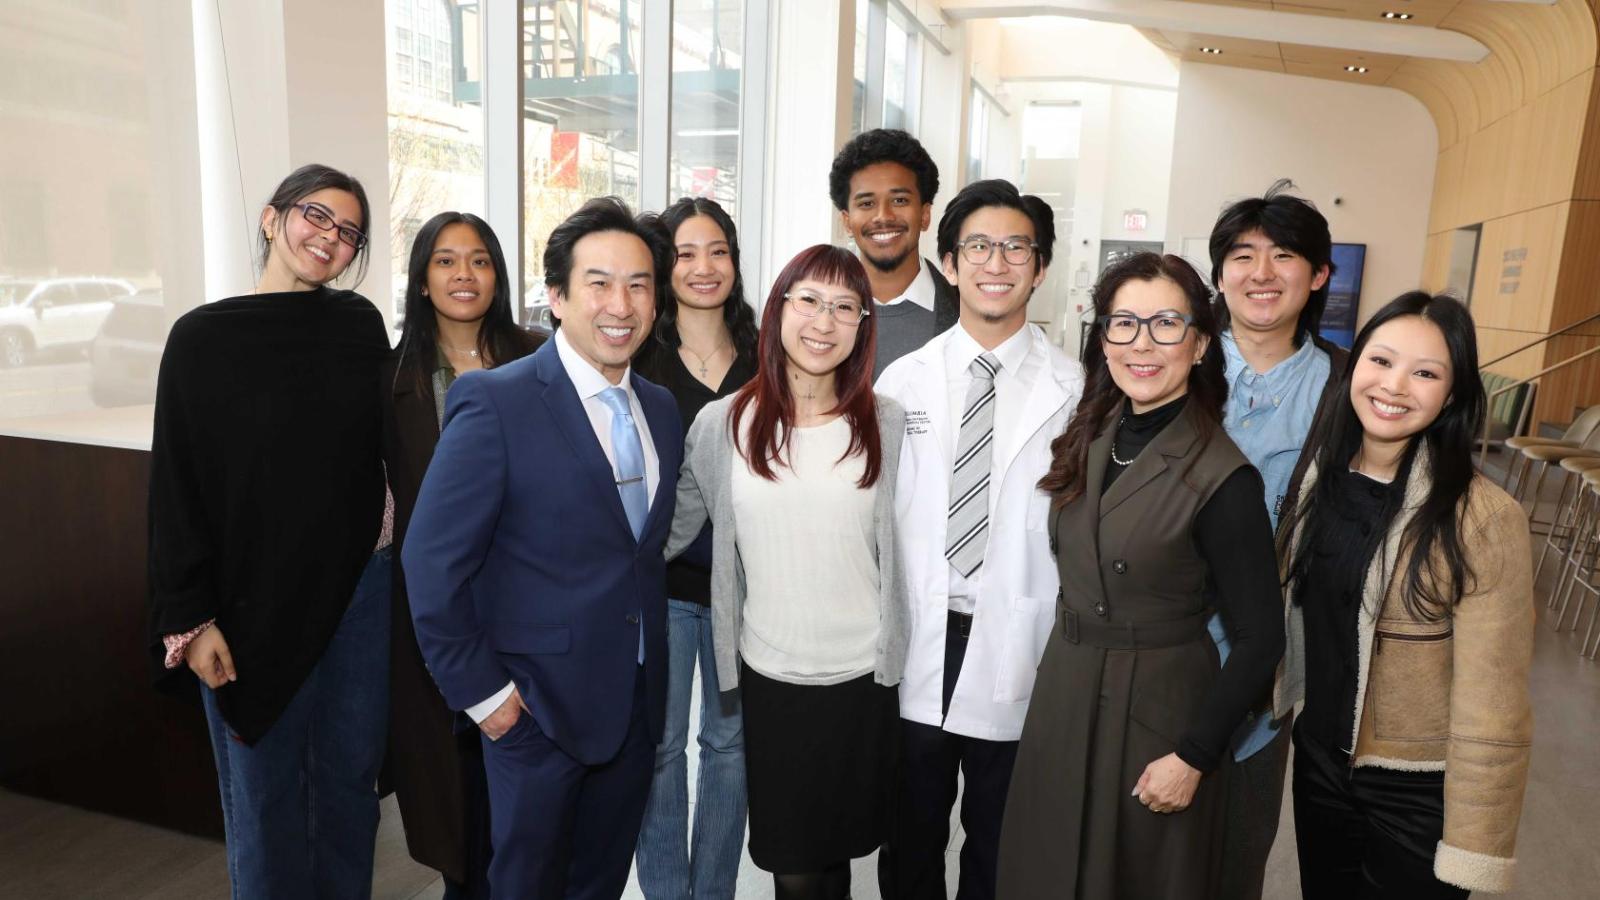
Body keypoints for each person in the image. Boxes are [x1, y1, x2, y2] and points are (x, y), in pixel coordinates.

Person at [402, 197, 680, 899]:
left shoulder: (662, 408)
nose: (621, 303)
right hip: (534, 714)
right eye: (598, 282)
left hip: (634, 708)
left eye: (639, 284)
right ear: (555, 296)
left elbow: (638, 553)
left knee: (598, 886)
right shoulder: (495, 402)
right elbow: (430, 564)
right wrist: (488, 700)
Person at [997, 253, 1284, 900]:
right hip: (1066, 696)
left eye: (1165, 324)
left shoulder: (1223, 475)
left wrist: (1195, 755)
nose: (1142, 344)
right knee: (1043, 870)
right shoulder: (1091, 433)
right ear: (1102, 338)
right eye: (1123, 323)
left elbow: (1262, 639)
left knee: (1133, 878)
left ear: (1202, 342)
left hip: (1158, 713)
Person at [148, 163, 391, 899]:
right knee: (265, 796)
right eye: (317, 217)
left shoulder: (359, 327)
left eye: (348, 232)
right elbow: (176, 489)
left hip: (361, 587)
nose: (330, 239)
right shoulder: (201, 339)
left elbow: (385, 453)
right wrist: (191, 622)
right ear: (271, 218)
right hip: (252, 603)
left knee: (350, 784)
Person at [667, 244, 908, 900]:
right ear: (777, 311)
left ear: (862, 324)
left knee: (837, 859)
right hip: (773, 681)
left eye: (843, 307)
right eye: (808, 300)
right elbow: (668, 534)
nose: (823, 322)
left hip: (865, 680)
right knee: (794, 867)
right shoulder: (723, 425)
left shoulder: (886, 422)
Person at [1276, 292, 1534, 899]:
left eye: (1425, 373)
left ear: (1452, 396)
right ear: (1354, 366)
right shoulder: (1320, 479)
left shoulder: (1483, 518)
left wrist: (1475, 843)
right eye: (1381, 361)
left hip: (1418, 792)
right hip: (1319, 764)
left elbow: (1492, 703)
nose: (1395, 386)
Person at [874, 179, 1084, 900]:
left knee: (1001, 841)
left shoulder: (1079, 391)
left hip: (1020, 641)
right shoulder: (903, 382)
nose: (997, 262)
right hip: (922, 640)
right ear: (951, 263)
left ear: (1042, 265)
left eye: (1016, 246)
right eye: (979, 247)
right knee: (911, 839)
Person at [381, 212, 543, 899]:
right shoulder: (393, 379)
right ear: (422, 280)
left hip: (528, 599)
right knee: (451, 783)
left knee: (527, 777)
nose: (464, 275)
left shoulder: (540, 357)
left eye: (478, 260)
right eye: (446, 262)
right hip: (436, 606)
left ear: (498, 275)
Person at [1205, 178, 1345, 900]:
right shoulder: (1169, 366)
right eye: (1243, 254)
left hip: (1272, 656)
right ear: (1219, 271)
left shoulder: (1347, 390)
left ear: (1319, 275)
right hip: (1160, 638)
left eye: (1284, 255)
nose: (1261, 273)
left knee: (1238, 848)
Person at [632, 197, 760, 900]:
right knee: (657, 753)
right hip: (662, 589)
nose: (703, 267)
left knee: (729, 749)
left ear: (735, 263)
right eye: (685, 253)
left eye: (718, 251)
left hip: (746, 594)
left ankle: (711, 892)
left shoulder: (767, 354)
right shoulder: (642, 359)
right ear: (664, 264)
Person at [829, 128, 959, 379]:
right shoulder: (810, 315)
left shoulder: (966, 313)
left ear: (924, 215)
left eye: (899, 200)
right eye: (866, 204)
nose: (883, 217)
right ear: (847, 221)